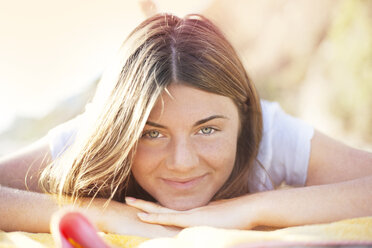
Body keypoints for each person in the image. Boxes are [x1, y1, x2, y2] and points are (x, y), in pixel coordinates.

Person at [0, 13, 371, 238]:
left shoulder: (269, 133)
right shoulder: (92, 138)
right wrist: (109, 215)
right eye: (152, 133)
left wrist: (251, 208)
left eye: (207, 130)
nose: (181, 162)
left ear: (242, 116)